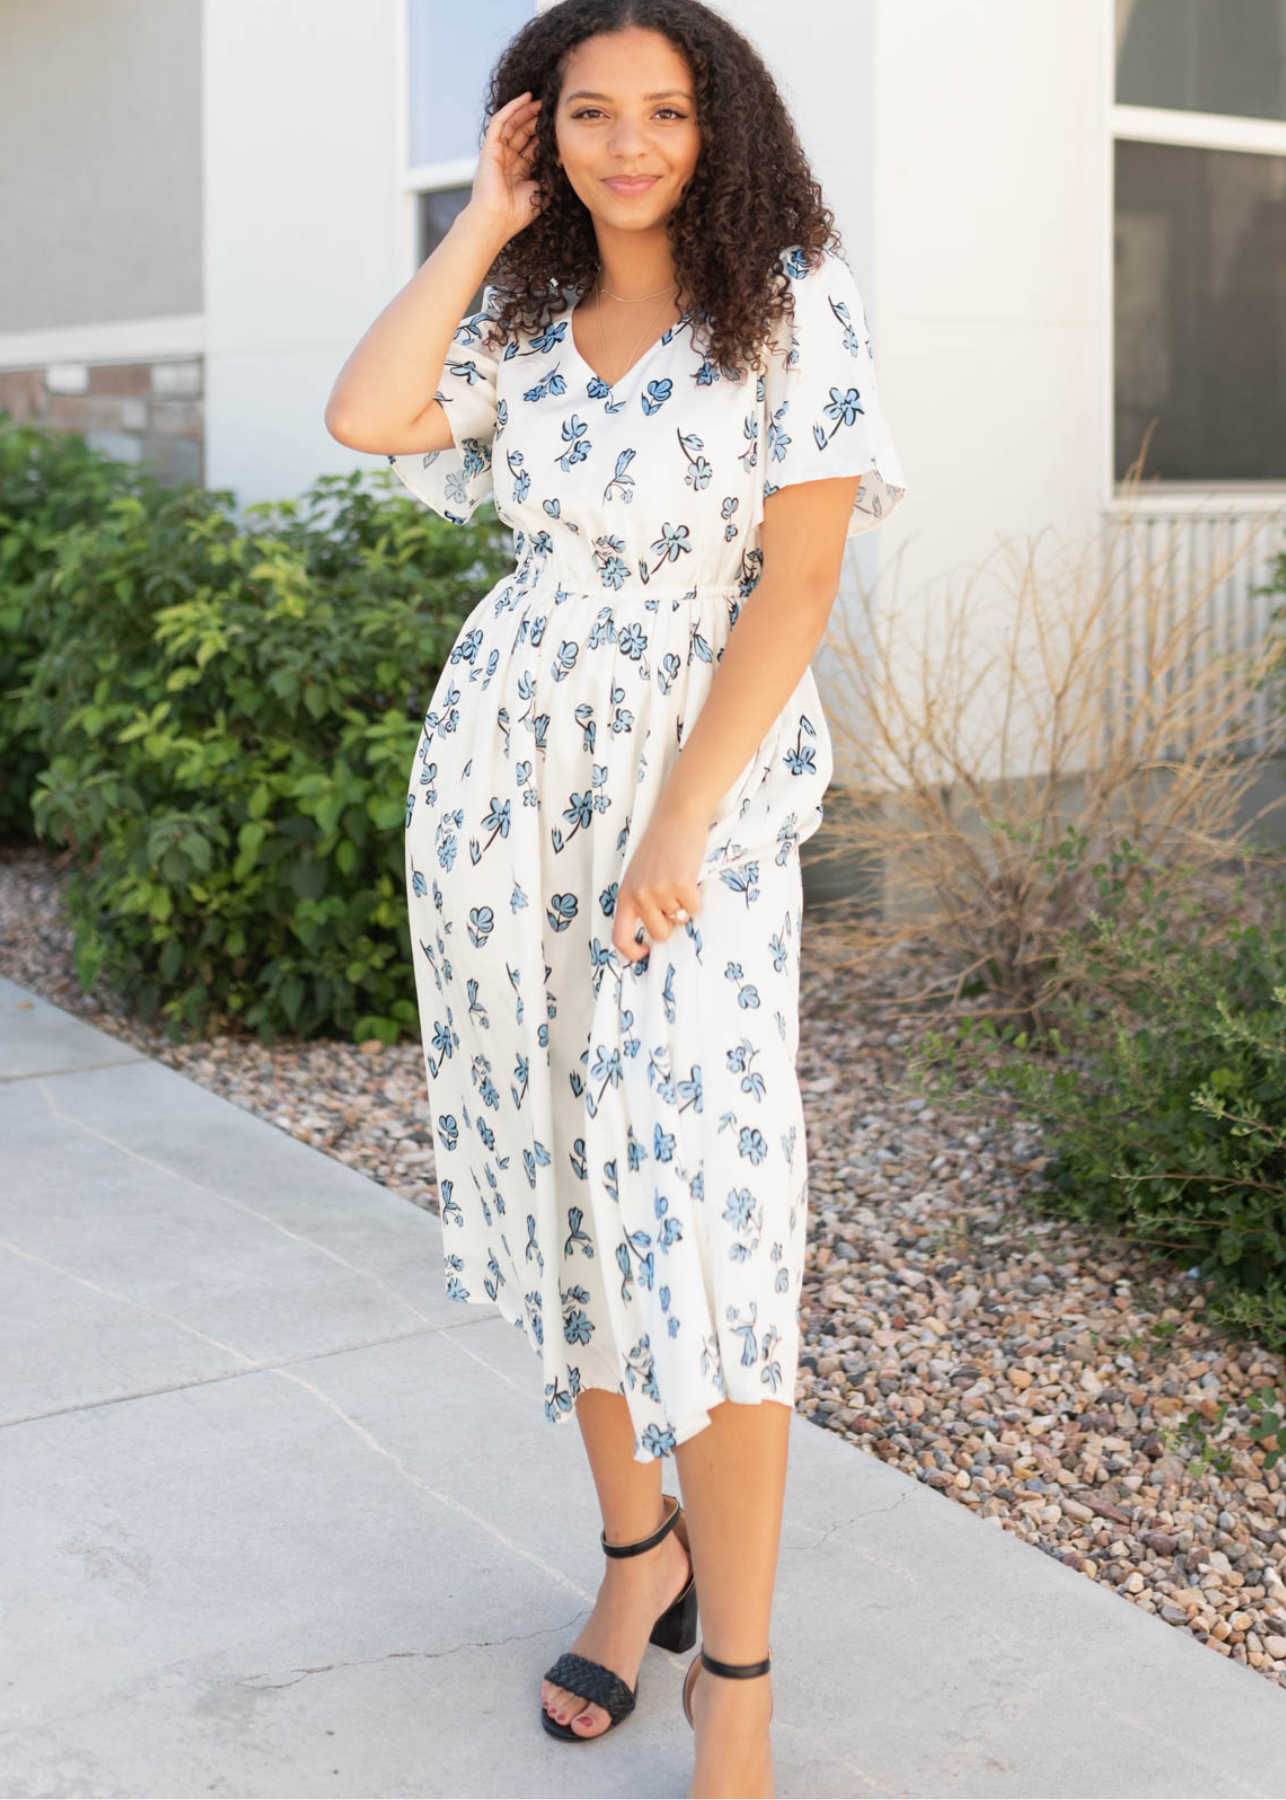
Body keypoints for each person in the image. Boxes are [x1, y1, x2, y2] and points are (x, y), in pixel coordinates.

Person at [326, 2, 907, 1793]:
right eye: (589, 114)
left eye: (664, 110)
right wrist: (484, 221)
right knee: (579, 1192)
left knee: (711, 1222)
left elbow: (796, 588)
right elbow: (367, 413)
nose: (630, 143)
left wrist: (681, 825)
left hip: (694, 807)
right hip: (503, 793)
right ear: (541, 130)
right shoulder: (517, 302)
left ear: (719, 124)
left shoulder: (790, 293)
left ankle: (734, 1677)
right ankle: (629, 1558)